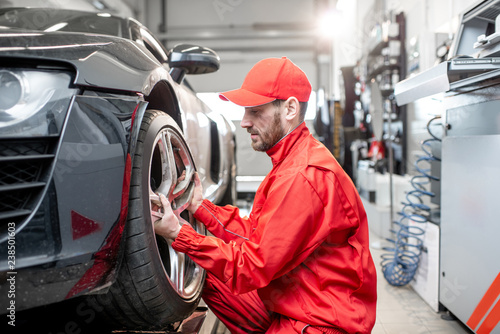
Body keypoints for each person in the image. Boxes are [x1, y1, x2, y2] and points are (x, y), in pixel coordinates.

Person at [154, 57, 377, 334]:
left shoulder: (302, 176)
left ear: (290, 109)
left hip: (322, 322)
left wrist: (180, 234)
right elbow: (258, 237)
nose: (245, 122)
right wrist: (201, 208)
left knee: (210, 259)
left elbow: (250, 266)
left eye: (256, 111)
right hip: (299, 300)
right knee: (206, 272)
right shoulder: (290, 161)